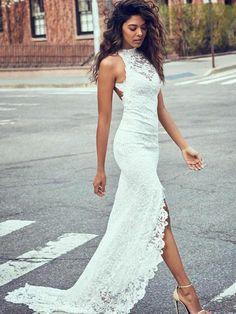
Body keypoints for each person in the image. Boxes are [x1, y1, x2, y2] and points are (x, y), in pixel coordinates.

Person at [4, 0, 212, 313]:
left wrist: (184, 145)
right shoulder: (111, 64)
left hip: (149, 147)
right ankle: (187, 293)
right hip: (129, 148)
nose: (139, 33)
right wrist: (100, 168)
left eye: (143, 27)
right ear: (119, 28)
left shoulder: (150, 60)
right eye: (132, 28)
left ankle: (127, 285)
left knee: (141, 219)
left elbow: (161, 110)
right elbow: (103, 120)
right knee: (160, 212)